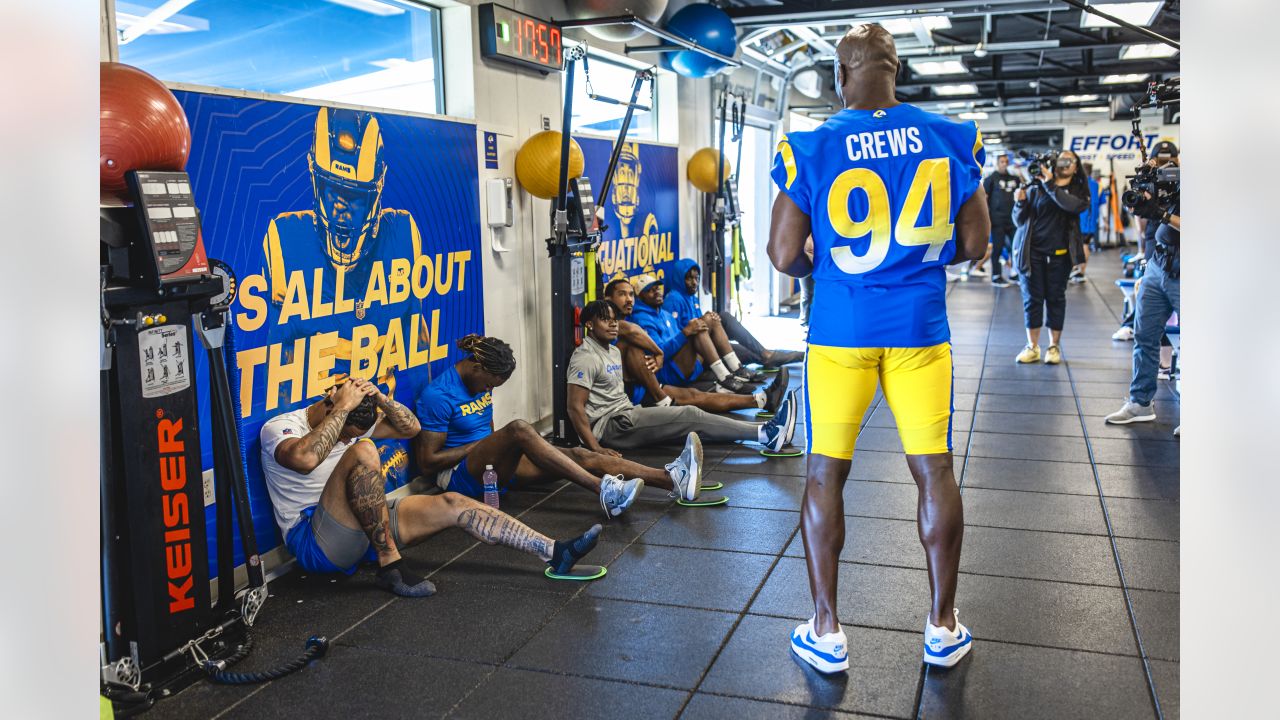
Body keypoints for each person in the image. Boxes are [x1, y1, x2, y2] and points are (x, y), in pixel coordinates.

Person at [767, 23, 990, 673]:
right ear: (897, 70)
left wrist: (825, 263)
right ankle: (943, 627)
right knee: (935, 472)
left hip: (841, 333)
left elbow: (784, 255)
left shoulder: (811, 142)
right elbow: (976, 246)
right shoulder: (950, 135)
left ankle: (826, 629)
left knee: (824, 474)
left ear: (841, 78)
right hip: (920, 331)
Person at [260, 378, 602, 597]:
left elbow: (411, 428)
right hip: (316, 543)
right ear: (331, 405)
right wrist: (344, 410)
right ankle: (390, 565)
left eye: (353, 430)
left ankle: (555, 552)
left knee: (453, 502)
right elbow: (304, 460)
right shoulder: (279, 428)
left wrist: (379, 396)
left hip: (361, 525)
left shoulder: (355, 425)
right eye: (347, 428)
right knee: (363, 451)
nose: (350, 436)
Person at [412, 334, 702, 517]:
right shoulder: (438, 395)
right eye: (489, 383)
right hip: (459, 476)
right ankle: (604, 490)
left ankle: (672, 478)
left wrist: (506, 446)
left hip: (494, 466)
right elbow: (428, 463)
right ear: (477, 368)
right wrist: (487, 444)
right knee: (518, 428)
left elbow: (488, 434)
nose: (489, 389)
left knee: (580, 454)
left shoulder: (480, 382)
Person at [567, 300, 798, 457]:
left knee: (690, 417)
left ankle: (761, 414)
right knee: (690, 414)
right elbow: (575, 407)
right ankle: (765, 433)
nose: (613, 324)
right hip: (611, 427)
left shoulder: (613, 350)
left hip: (626, 414)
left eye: (614, 319)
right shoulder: (585, 357)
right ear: (589, 325)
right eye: (605, 320)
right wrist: (595, 448)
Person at [604, 278, 791, 415]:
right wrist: (661, 351)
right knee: (694, 406)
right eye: (622, 294)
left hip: (648, 384)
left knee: (694, 394)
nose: (628, 299)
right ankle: (729, 376)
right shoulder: (618, 324)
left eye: (630, 294)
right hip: (642, 391)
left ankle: (762, 399)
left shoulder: (649, 317)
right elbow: (632, 332)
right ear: (608, 298)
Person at [1106, 172, 1181, 431]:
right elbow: (1149, 219)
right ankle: (1140, 403)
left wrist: (1161, 214)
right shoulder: (1173, 185)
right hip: (1158, 266)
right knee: (1144, 336)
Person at [1011, 149, 1090, 365]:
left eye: (1069, 161)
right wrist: (1019, 202)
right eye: (1061, 160)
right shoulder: (1037, 186)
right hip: (1032, 253)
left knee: (1055, 299)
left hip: (1060, 255)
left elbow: (1070, 205)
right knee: (1032, 300)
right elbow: (1019, 220)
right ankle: (1033, 347)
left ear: (1076, 166)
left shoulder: (1078, 190)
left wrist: (1050, 184)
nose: (1064, 164)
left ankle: (1053, 347)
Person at [660, 259, 806, 369]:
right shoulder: (673, 300)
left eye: (696, 278)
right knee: (752, 351)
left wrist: (710, 320)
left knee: (753, 351)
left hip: (708, 342)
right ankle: (773, 356)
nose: (694, 283)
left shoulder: (692, 297)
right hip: (694, 351)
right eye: (689, 278)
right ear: (679, 278)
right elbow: (675, 335)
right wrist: (705, 322)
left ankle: (802, 356)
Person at [627, 273, 755, 394]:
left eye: (657, 288)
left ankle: (736, 369)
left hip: (688, 365)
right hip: (670, 372)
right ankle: (724, 378)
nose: (657, 293)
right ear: (640, 296)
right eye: (650, 290)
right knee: (696, 330)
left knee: (711, 319)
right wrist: (686, 332)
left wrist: (701, 323)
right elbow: (659, 354)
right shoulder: (641, 319)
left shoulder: (664, 314)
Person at [982, 153, 1020, 287]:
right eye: (1002, 161)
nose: (1004, 163)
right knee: (997, 248)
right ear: (998, 163)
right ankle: (996, 276)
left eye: (1006, 161)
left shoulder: (1015, 178)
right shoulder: (991, 179)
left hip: (1013, 220)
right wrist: (986, 219)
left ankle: (1015, 274)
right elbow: (984, 198)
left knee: (1016, 249)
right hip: (997, 220)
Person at [1071, 164, 1102, 285]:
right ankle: (1080, 271)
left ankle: (1078, 271)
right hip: (1091, 220)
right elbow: (1101, 203)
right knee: (1084, 244)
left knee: (1081, 245)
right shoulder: (1096, 185)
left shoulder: (1079, 184)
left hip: (1082, 220)